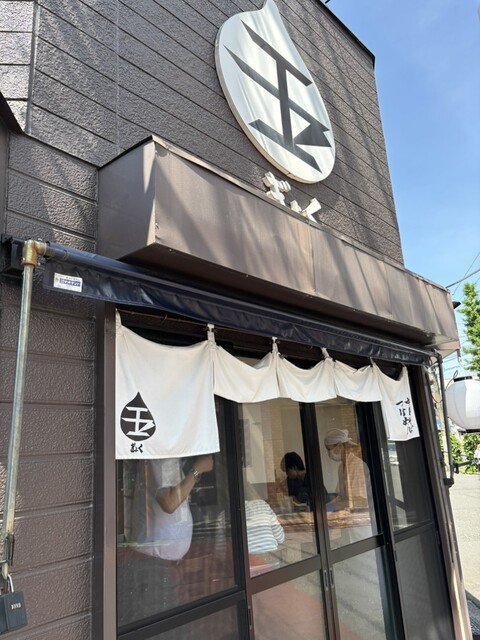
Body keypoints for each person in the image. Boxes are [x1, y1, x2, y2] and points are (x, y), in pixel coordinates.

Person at [118, 454, 213, 625]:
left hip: (162, 563)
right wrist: (197, 470)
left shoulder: (171, 460)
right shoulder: (163, 458)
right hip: (153, 564)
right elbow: (169, 503)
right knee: (160, 626)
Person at [324, 429, 374, 544]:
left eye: (329, 449)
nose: (329, 453)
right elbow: (342, 496)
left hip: (361, 523)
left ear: (339, 446)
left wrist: (334, 507)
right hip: (350, 521)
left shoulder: (356, 466)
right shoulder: (341, 467)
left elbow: (360, 500)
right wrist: (328, 506)